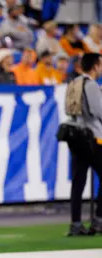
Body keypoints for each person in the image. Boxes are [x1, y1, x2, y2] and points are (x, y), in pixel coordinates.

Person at [65, 53, 102, 236]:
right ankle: (99, 219)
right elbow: (98, 111)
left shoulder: (74, 83)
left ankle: (76, 223)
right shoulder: (91, 85)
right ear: (95, 66)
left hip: (76, 136)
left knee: (78, 182)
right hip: (93, 136)